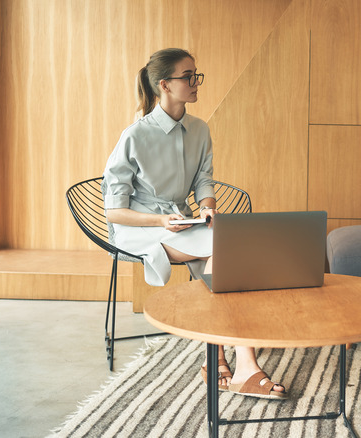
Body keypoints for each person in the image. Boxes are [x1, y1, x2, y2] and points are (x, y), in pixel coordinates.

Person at [103, 48, 287, 400]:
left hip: (182, 222)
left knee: (220, 252)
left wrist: (206, 208)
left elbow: (204, 181)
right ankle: (242, 366)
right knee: (226, 254)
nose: (195, 82)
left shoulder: (200, 129)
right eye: (187, 76)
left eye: (195, 74)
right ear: (165, 86)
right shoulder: (134, 136)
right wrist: (160, 220)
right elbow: (114, 212)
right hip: (140, 228)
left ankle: (216, 358)